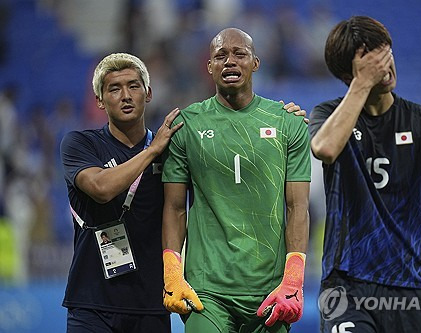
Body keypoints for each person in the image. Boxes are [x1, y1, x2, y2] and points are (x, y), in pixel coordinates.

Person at [309, 16, 421, 333]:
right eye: (372, 61)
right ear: (348, 72)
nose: (385, 66)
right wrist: (362, 84)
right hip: (346, 281)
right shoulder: (327, 115)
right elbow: (324, 148)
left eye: (386, 54)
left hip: (410, 283)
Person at [161, 28, 311, 332]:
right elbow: (174, 208)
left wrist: (293, 279)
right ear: (209, 67)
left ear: (255, 63)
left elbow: (298, 206)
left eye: (239, 53)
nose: (230, 61)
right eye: (221, 55)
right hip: (207, 290)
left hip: (270, 290)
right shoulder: (185, 125)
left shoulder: (287, 123)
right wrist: (172, 273)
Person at [60, 52, 183, 332]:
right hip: (91, 305)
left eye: (133, 86)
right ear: (100, 101)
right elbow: (101, 188)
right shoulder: (80, 144)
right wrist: (152, 152)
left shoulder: (171, 151)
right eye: (114, 88)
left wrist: (281, 117)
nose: (125, 95)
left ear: (148, 93)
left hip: (152, 305)